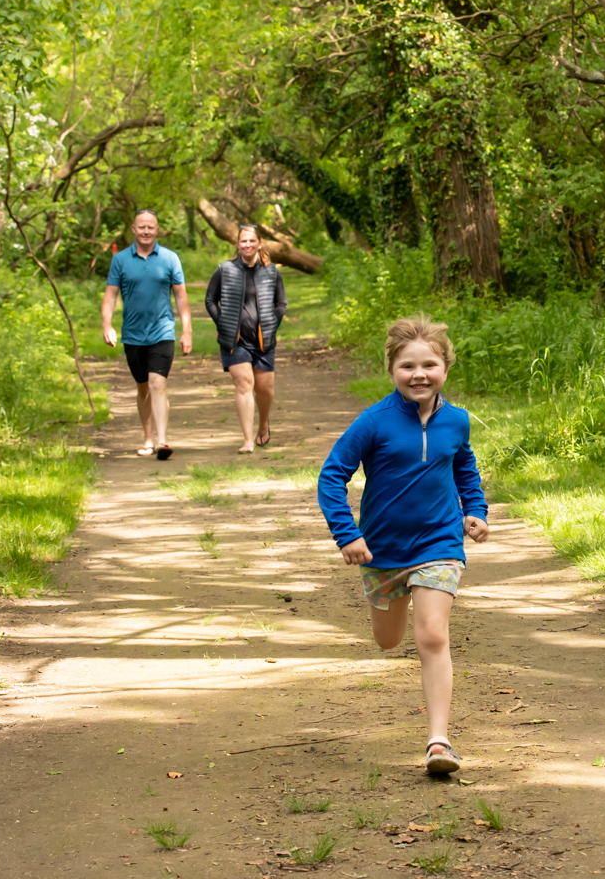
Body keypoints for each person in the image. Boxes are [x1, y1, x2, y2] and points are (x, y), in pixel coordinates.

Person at [316, 315, 489, 775]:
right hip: (382, 550)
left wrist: (475, 509)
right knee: (388, 640)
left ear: (445, 369)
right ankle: (389, 617)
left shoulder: (457, 421)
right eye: (407, 366)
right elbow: (332, 476)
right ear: (392, 370)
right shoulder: (374, 421)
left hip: (440, 541)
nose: (419, 374)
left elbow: (464, 469)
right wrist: (347, 534)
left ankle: (439, 742)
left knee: (432, 634)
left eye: (429, 364)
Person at [101, 210, 192, 459]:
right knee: (143, 388)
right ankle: (148, 438)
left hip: (163, 331)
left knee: (157, 383)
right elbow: (110, 295)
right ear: (133, 229)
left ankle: (163, 441)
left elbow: (181, 296)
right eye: (141, 227)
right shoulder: (120, 260)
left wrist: (187, 331)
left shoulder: (170, 258)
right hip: (132, 334)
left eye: (150, 227)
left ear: (157, 230)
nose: (146, 231)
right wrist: (107, 324)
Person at [205, 224, 287, 454]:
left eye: (252, 241)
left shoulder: (271, 272)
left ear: (260, 244)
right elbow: (210, 300)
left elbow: (281, 303)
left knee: (264, 389)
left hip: (264, 341)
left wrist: (273, 323)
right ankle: (248, 440)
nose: (247, 245)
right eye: (243, 241)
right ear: (237, 244)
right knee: (244, 384)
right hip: (235, 340)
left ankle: (263, 425)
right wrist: (223, 324)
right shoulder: (225, 269)